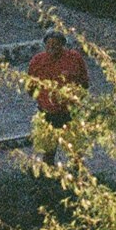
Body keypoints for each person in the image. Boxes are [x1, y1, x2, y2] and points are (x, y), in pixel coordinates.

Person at [25, 30, 90, 163]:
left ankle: (78, 176)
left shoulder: (74, 58)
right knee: (48, 149)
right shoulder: (37, 61)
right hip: (47, 113)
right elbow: (30, 87)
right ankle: (49, 176)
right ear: (45, 45)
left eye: (56, 44)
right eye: (49, 44)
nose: (52, 47)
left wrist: (75, 99)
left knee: (75, 150)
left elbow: (84, 82)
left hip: (70, 112)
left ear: (63, 45)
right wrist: (43, 100)